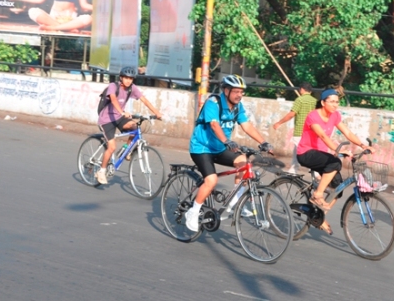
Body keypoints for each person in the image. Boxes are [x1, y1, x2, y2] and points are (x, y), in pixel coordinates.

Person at [185, 74, 275, 232]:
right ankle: (193, 212)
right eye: (236, 91)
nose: (239, 95)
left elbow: (246, 126)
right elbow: (214, 124)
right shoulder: (214, 103)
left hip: (219, 148)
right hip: (201, 148)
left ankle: (234, 201)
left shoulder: (238, 107)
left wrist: (263, 142)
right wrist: (227, 141)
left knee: (244, 163)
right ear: (226, 91)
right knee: (211, 181)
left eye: (241, 92)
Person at [296, 88, 375, 235]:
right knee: (335, 163)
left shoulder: (335, 116)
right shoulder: (313, 116)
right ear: (323, 102)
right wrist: (339, 150)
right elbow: (323, 136)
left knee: (338, 189)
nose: (335, 104)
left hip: (321, 154)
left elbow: (348, 133)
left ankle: (319, 217)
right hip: (306, 153)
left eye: (337, 102)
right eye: (331, 101)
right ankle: (317, 195)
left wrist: (363, 145)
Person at [95, 66, 163, 185]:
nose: (128, 80)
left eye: (131, 78)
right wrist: (122, 112)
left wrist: (156, 113)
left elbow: (144, 100)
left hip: (119, 118)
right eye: (126, 78)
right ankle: (101, 171)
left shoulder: (132, 88)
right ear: (121, 77)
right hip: (106, 120)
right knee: (111, 147)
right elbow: (114, 100)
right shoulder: (113, 86)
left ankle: (126, 149)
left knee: (135, 127)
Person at [272, 82, 317, 174]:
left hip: (300, 130)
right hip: (312, 131)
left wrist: (279, 123)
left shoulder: (299, 100)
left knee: (297, 150)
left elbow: (292, 114)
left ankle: (294, 169)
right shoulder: (315, 101)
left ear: (301, 89)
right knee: (310, 151)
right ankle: (314, 170)